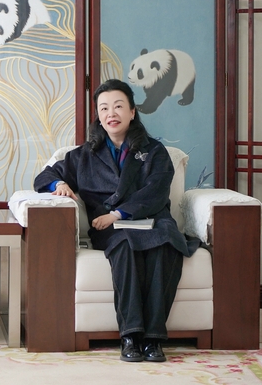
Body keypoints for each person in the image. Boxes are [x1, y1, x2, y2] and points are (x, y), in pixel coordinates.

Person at [33, 79, 198, 363]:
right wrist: (58, 184)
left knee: (166, 244)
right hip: (111, 229)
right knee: (124, 246)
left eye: (119, 106)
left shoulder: (155, 151)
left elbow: (157, 192)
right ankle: (130, 336)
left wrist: (119, 214)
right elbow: (44, 176)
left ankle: (153, 338)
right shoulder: (83, 156)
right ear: (98, 115)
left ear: (132, 111)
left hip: (152, 220)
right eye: (104, 108)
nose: (111, 113)